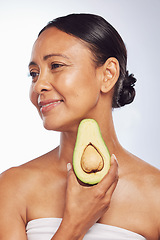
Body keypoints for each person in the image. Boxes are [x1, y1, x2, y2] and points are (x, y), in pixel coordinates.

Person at [0, 13, 160, 240]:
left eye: (56, 65)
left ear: (108, 74)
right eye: (34, 74)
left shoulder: (156, 195)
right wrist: (74, 224)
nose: (38, 86)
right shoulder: (12, 187)